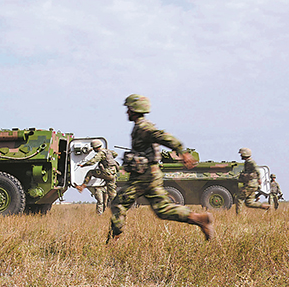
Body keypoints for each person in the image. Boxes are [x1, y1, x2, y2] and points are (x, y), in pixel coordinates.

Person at [109, 95, 214, 242]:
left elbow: (162, 136)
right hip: (150, 174)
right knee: (162, 209)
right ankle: (199, 218)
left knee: (118, 203)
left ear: (134, 110)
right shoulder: (141, 126)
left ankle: (113, 241)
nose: (127, 112)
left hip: (143, 176)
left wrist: (181, 151)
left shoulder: (143, 127)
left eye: (128, 109)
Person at [75, 139, 119, 214]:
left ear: (95, 148)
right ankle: (117, 210)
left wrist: (83, 165)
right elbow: (115, 154)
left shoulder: (101, 153)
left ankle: (82, 186)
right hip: (113, 174)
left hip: (107, 173)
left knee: (90, 172)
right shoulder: (107, 151)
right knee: (112, 194)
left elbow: (93, 161)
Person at [235, 148, 269, 213]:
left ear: (245, 154)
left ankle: (239, 217)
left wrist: (259, 178)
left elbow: (257, 169)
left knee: (239, 198)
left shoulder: (250, 162)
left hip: (250, 184)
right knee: (249, 203)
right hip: (253, 185)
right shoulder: (247, 162)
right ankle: (266, 207)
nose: (241, 156)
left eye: (241, 154)